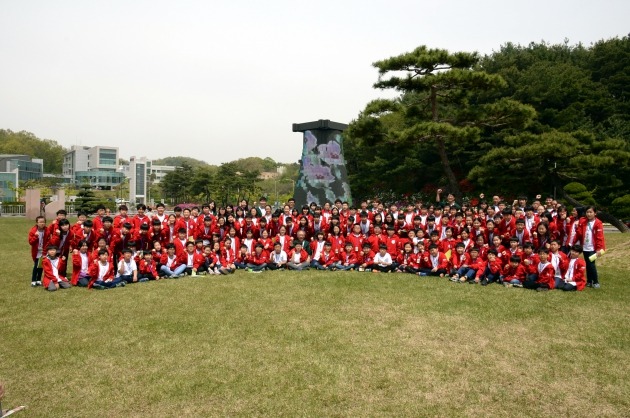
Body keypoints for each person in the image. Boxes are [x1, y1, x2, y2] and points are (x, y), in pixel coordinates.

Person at [575, 205, 606, 288]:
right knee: (588, 264)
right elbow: (579, 233)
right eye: (587, 212)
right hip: (585, 246)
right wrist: (578, 227)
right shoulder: (583, 221)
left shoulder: (598, 222)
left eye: (591, 212)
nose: (589, 214)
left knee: (591, 264)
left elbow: (599, 237)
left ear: (595, 213)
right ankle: (589, 281)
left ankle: (595, 281)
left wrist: (599, 248)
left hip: (593, 248)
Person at [28, 215, 48, 287]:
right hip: (36, 251)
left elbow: (48, 241)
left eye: (43, 222)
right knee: (36, 266)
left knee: (41, 266)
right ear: (37, 223)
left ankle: (39, 280)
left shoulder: (46, 230)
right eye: (40, 222)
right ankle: (33, 280)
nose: (42, 223)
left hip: (44, 251)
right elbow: (31, 242)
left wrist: (46, 250)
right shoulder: (33, 231)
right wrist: (35, 236)